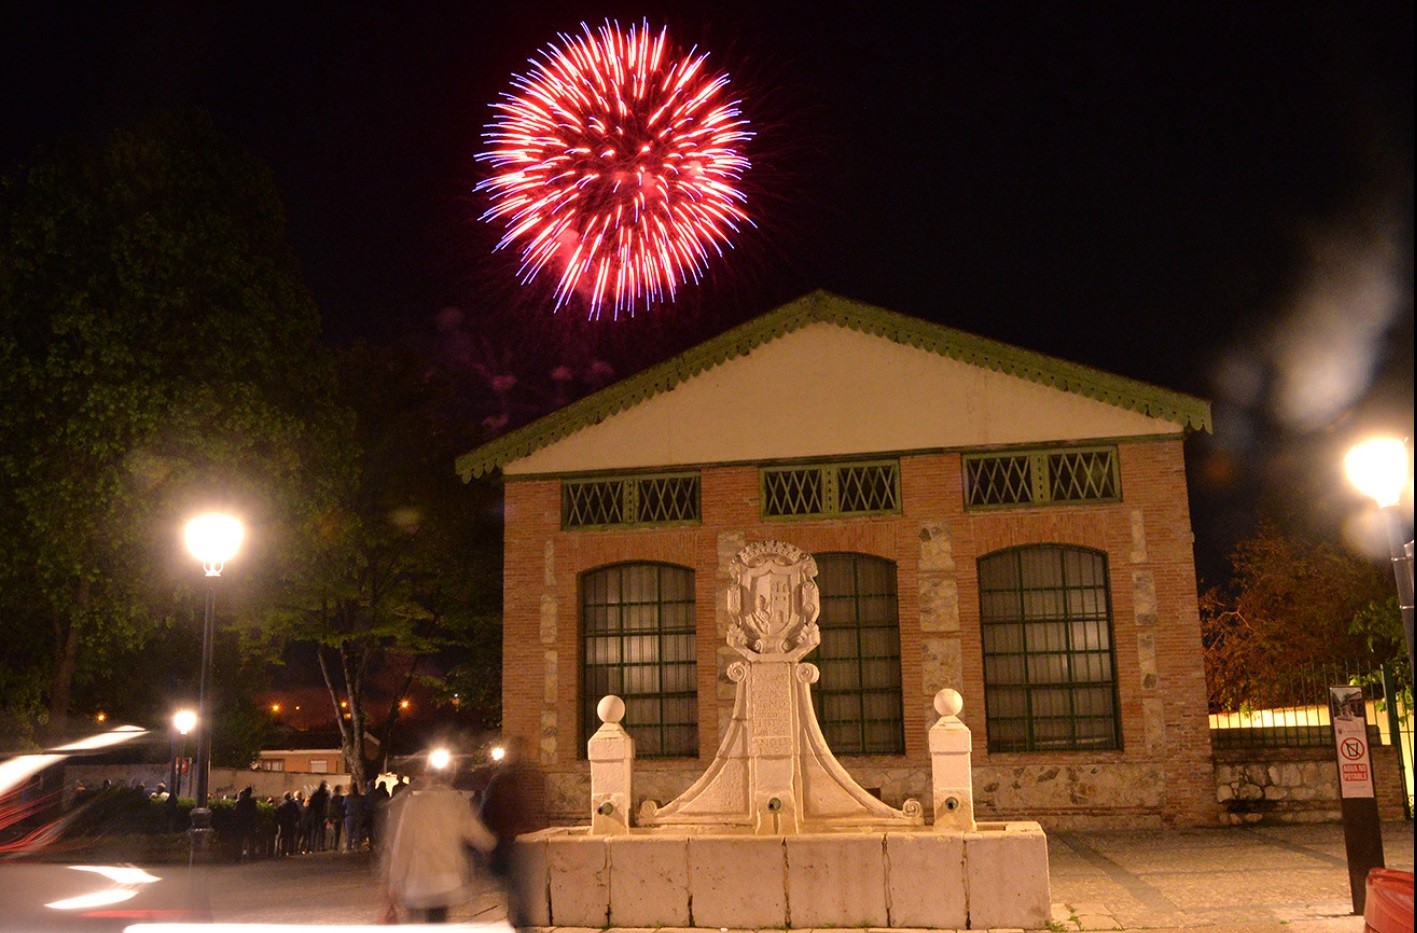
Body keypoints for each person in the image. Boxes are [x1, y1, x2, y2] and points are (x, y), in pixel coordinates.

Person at [381, 761, 495, 923]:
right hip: (445, 881)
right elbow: (475, 832)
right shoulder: (456, 802)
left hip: (417, 881)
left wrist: (394, 880)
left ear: (426, 777)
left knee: (416, 924)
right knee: (438, 922)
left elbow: (402, 845)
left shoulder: (413, 804)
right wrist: (493, 844)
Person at [478, 738, 546, 931]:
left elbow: (487, 812)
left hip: (512, 842)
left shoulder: (506, 779)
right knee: (519, 888)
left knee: (518, 888)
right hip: (513, 842)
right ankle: (521, 923)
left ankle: (520, 922)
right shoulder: (510, 779)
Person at [233, 786, 259, 861]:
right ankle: (251, 856)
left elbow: (236, 813)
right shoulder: (252, 802)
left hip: (241, 824)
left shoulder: (239, 802)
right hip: (250, 824)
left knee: (239, 842)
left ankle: (237, 857)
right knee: (251, 841)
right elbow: (255, 813)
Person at [275, 792, 302, 858]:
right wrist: (296, 820)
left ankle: (283, 852)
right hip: (291, 822)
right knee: (291, 837)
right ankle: (290, 852)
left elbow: (277, 814)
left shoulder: (281, 805)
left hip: (284, 823)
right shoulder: (293, 804)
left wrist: (279, 822)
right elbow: (298, 813)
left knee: (284, 838)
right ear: (289, 797)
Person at [307, 780, 330, 852]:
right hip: (322, 815)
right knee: (322, 831)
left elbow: (310, 806)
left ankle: (312, 847)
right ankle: (321, 846)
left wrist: (310, 814)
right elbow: (327, 806)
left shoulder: (315, 794)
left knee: (314, 831)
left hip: (315, 815)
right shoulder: (325, 795)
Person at [344, 782, 365, 851]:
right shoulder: (361, 797)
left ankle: (348, 848)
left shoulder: (347, 797)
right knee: (357, 832)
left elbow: (344, 805)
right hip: (358, 816)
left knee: (349, 833)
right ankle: (357, 847)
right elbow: (363, 806)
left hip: (349, 816)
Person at [328, 784, 346, 852]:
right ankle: (340, 846)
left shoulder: (332, 799)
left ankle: (335, 846)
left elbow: (330, 809)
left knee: (336, 832)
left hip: (335, 818)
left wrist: (330, 818)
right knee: (342, 832)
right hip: (341, 817)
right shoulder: (342, 798)